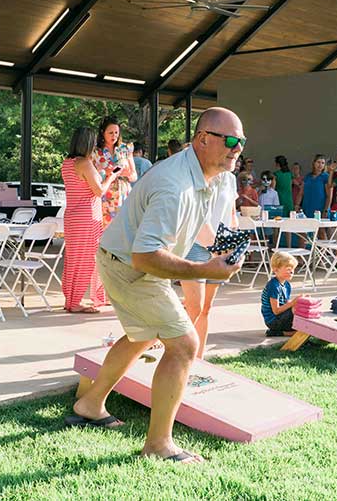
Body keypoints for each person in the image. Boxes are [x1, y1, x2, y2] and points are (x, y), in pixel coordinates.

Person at [70, 107, 244, 464]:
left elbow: (195, 225)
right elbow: (145, 257)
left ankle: (89, 404)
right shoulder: (174, 185)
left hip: (130, 261)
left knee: (142, 335)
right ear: (202, 139)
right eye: (229, 141)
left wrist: (219, 250)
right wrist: (205, 269)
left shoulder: (206, 176)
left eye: (241, 142)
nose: (236, 148)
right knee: (183, 345)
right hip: (128, 265)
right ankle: (158, 444)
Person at [181, 170, 238, 358]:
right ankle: (173, 355)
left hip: (220, 247)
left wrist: (234, 242)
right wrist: (219, 247)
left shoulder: (230, 179)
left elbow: (231, 214)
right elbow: (196, 218)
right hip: (196, 245)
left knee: (205, 308)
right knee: (194, 308)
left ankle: (198, 360)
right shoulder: (198, 175)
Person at [61, 127, 117, 313]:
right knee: (87, 260)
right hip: (87, 217)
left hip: (72, 216)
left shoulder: (67, 163)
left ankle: (70, 299)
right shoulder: (85, 163)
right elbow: (99, 191)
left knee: (73, 259)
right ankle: (77, 302)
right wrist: (111, 177)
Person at [92, 116, 137, 228]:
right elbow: (91, 175)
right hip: (105, 195)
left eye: (116, 132)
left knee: (123, 230)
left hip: (123, 194)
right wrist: (103, 172)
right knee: (104, 230)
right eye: (110, 132)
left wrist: (127, 174)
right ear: (103, 133)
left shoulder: (126, 149)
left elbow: (134, 176)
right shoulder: (95, 151)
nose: (114, 136)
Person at [261, 252, 302, 337]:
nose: (291, 272)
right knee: (295, 309)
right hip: (273, 321)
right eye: (288, 269)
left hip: (281, 317)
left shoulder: (287, 285)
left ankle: (294, 330)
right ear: (276, 270)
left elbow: (285, 303)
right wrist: (293, 303)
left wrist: (299, 302)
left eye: (293, 269)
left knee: (300, 307)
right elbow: (276, 311)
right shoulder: (273, 286)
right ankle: (280, 332)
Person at [301, 154, 331, 220]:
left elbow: (329, 196)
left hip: (320, 209)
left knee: (321, 229)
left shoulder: (326, 177)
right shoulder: (307, 176)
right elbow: (301, 193)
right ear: (314, 163)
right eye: (318, 162)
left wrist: (326, 210)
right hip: (307, 207)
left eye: (322, 163)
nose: (320, 165)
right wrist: (297, 205)